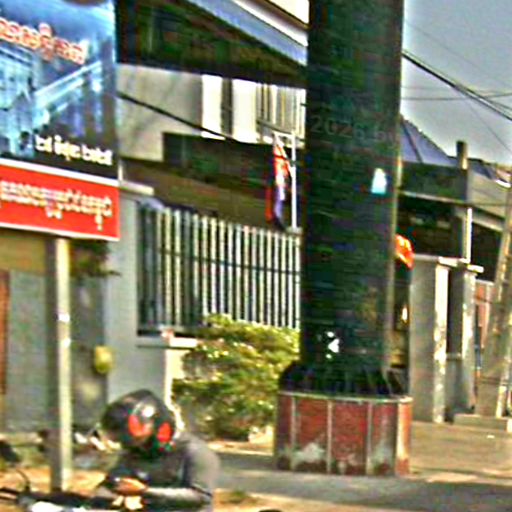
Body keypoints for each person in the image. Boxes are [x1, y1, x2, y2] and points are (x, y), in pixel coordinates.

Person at [97, 389, 220, 512]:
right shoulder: (137, 450)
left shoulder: (195, 452)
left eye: (138, 440)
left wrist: (145, 491)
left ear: (158, 428)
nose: (135, 446)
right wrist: (98, 501)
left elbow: (201, 496)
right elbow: (114, 481)